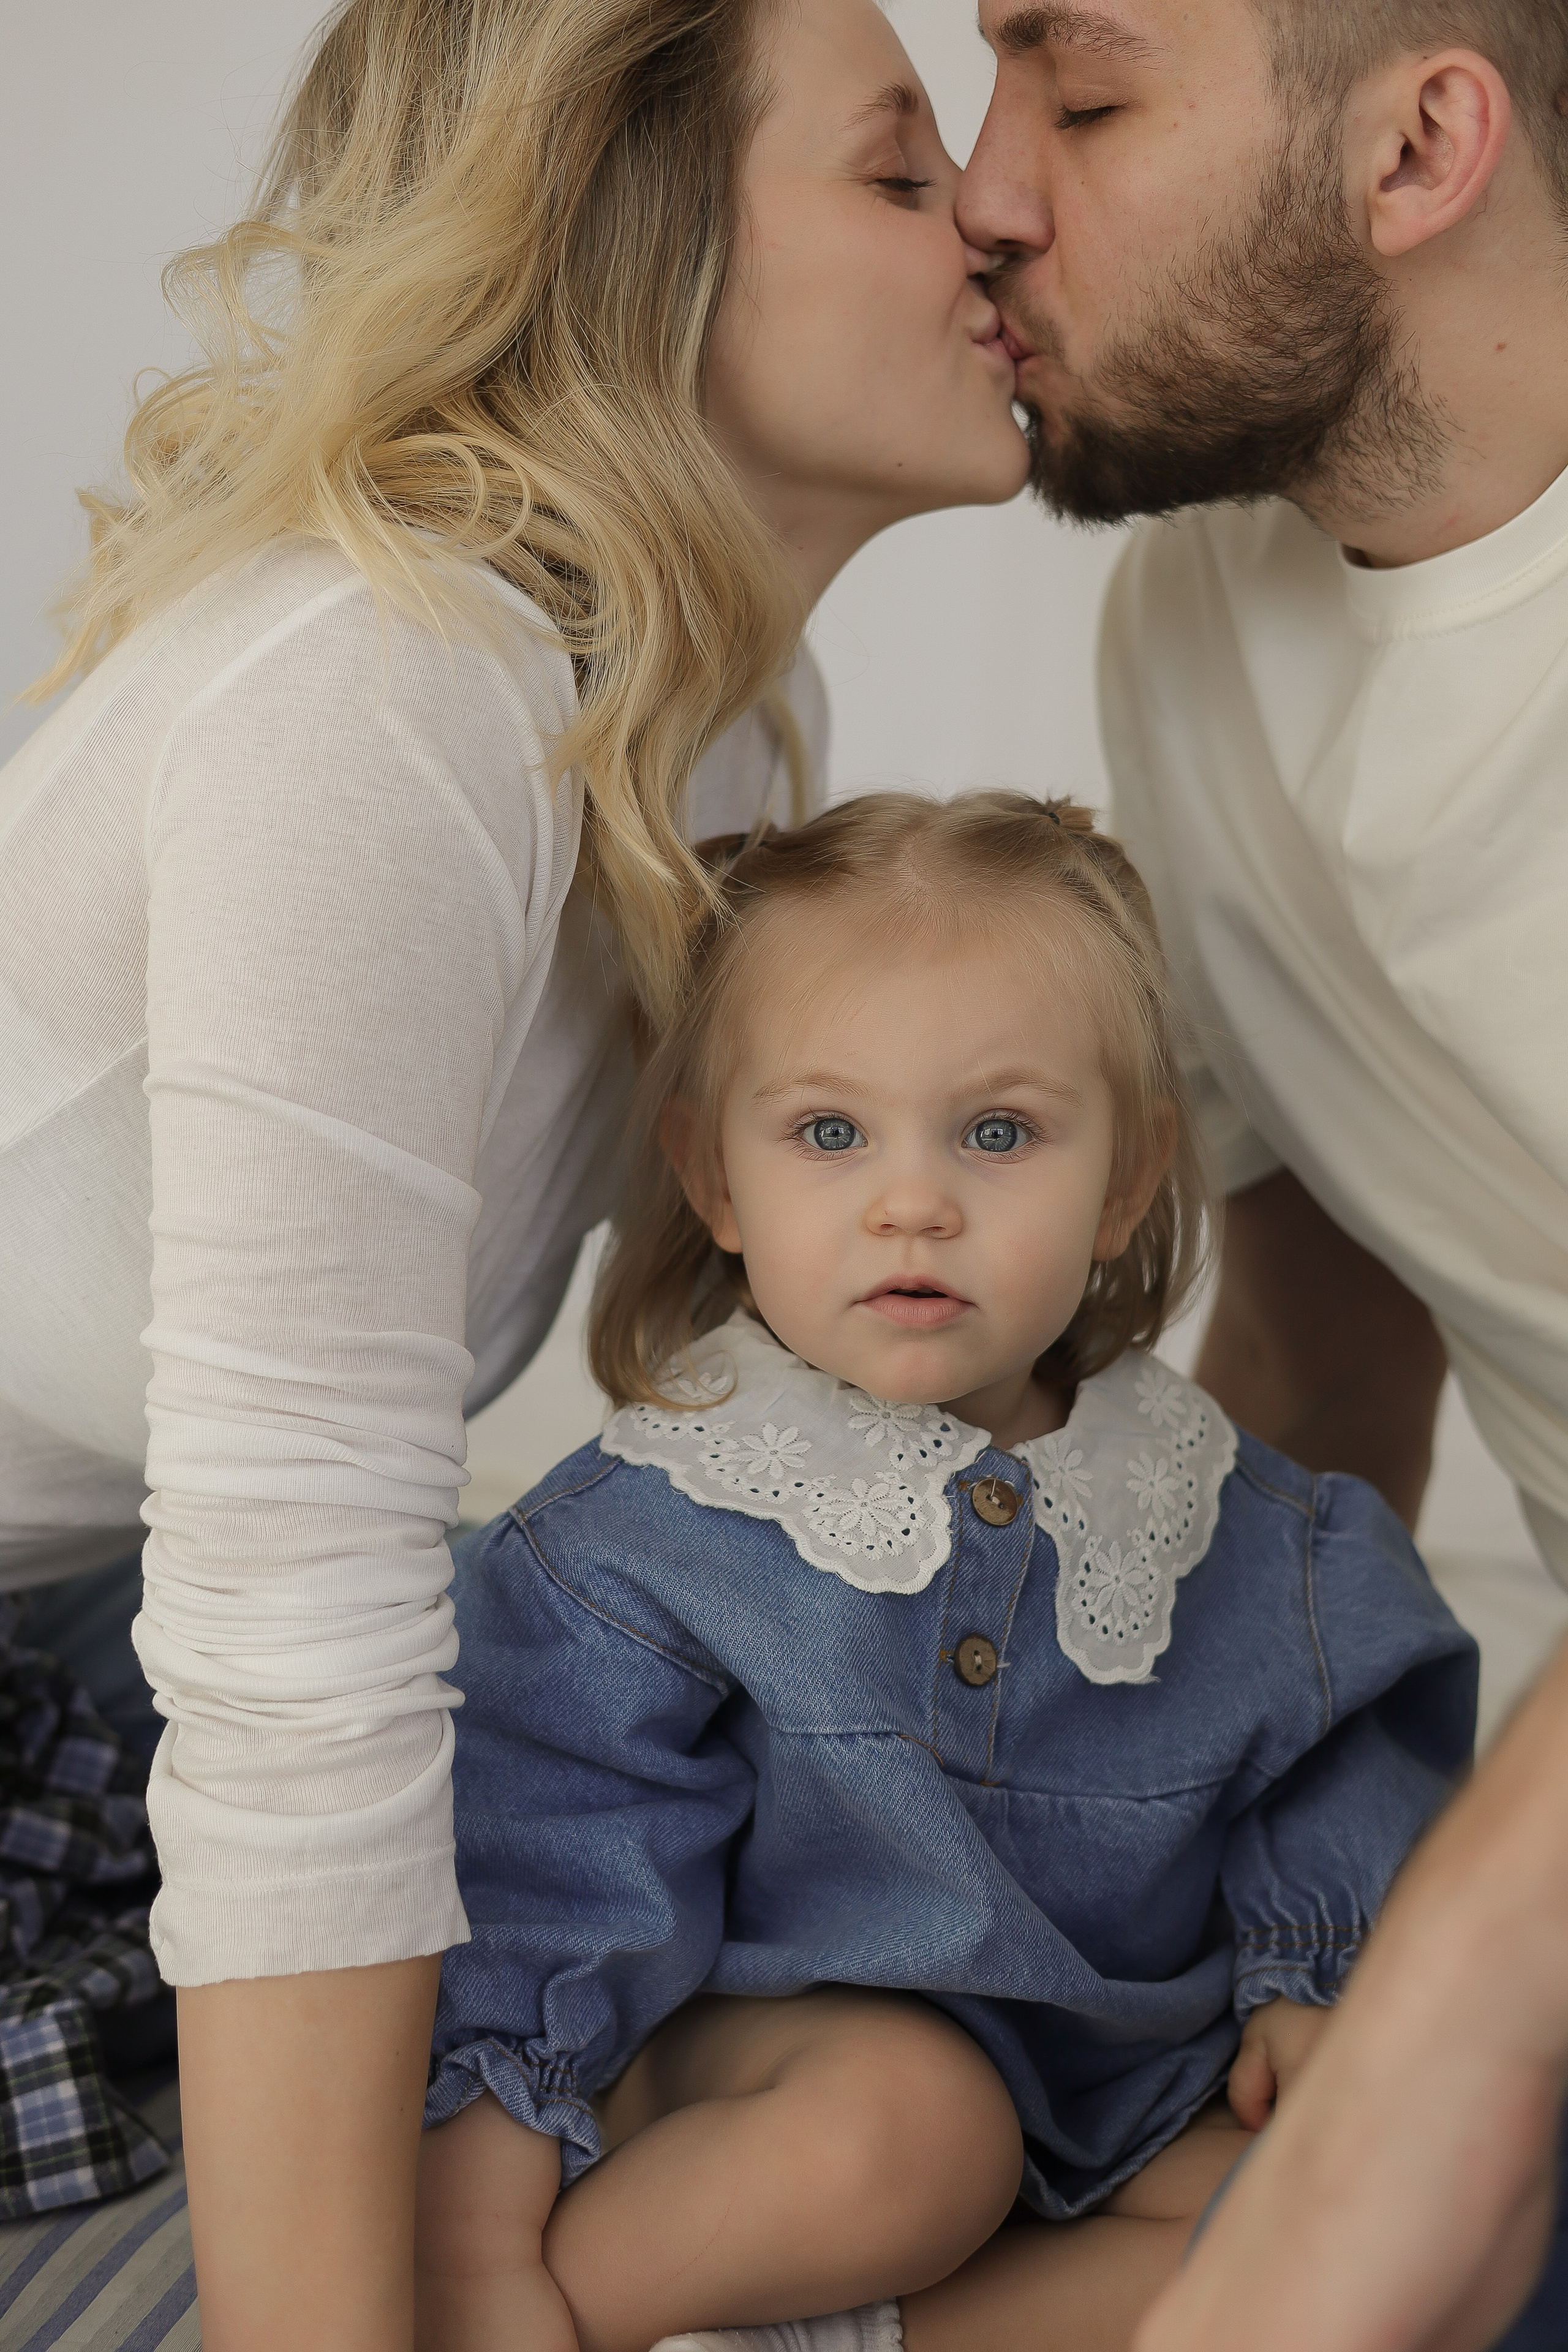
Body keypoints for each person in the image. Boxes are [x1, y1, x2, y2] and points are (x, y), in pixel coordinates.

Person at [0, 0, 1030, 2335]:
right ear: (627, 239)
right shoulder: (381, 691)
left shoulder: (717, 730)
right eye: (897, 170)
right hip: (124, 1654)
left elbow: (750, 1464)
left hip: (81, 1623)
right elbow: (296, 1642)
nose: (991, 215)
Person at [414, 791, 1477, 2352]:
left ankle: (823, 2339)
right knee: (913, 2132)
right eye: (827, 1133)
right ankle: (592, 2316)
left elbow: (1331, 1763)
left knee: (1361, 2225)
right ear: (715, 1180)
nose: (911, 1201)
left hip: (1114, 2083)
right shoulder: (651, 1532)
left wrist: (1311, 1977)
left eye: (996, 1132)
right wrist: (476, 2244)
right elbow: (545, 1876)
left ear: (1124, 1184)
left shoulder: (1239, 1524)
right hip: (755, 2062)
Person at [954, 0, 1568, 2343]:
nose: (989, 189)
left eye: (1086, 95)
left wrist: (1443, 2034)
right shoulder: (1197, 623)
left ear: (1420, 148)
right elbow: (1327, 1346)